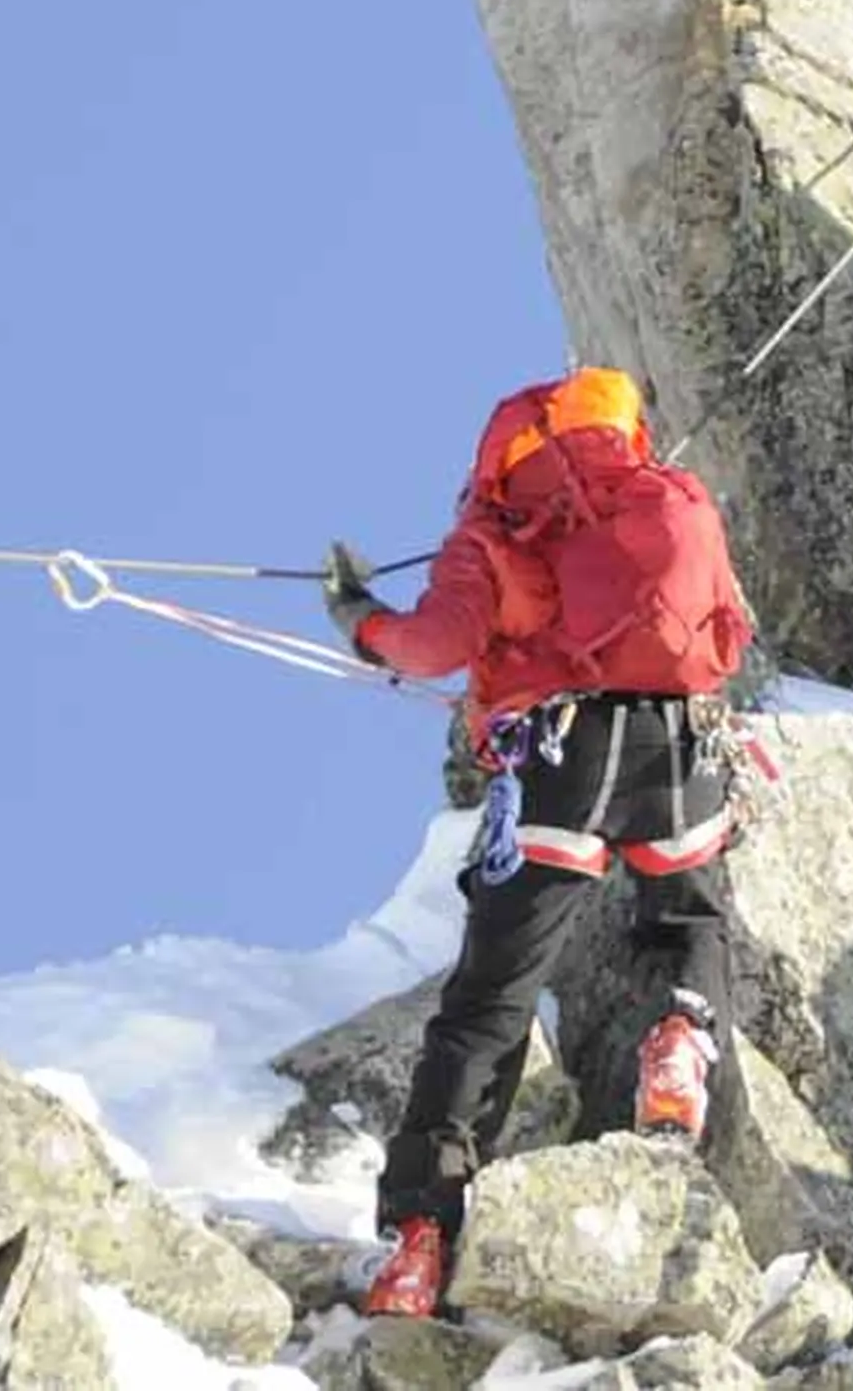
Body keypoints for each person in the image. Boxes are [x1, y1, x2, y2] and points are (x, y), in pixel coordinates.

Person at [319, 367, 761, 1323]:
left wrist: (360, 621)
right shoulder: (667, 497)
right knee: (689, 913)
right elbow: (728, 629)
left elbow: (430, 647)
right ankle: (682, 1038)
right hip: (682, 747)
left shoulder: (496, 531)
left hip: (561, 760)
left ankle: (419, 1237)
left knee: (487, 1005)